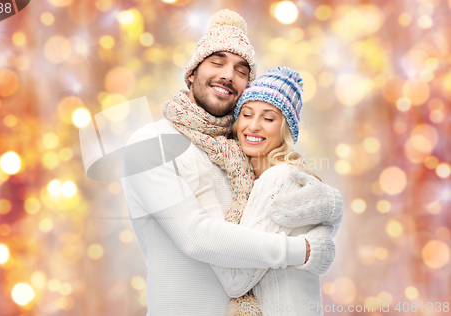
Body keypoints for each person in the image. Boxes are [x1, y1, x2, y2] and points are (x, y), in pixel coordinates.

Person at [121, 9, 339, 316]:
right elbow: (196, 236)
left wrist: (329, 207)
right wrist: (303, 250)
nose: (227, 75)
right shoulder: (151, 143)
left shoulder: (244, 153)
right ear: (193, 72)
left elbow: (285, 204)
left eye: (241, 70)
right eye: (217, 61)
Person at [167, 66, 343, 316]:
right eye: (247, 115)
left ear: (285, 130)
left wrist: (205, 197)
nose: (254, 126)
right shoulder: (263, 177)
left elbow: (235, 280)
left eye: (269, 118)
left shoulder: (278, 178)